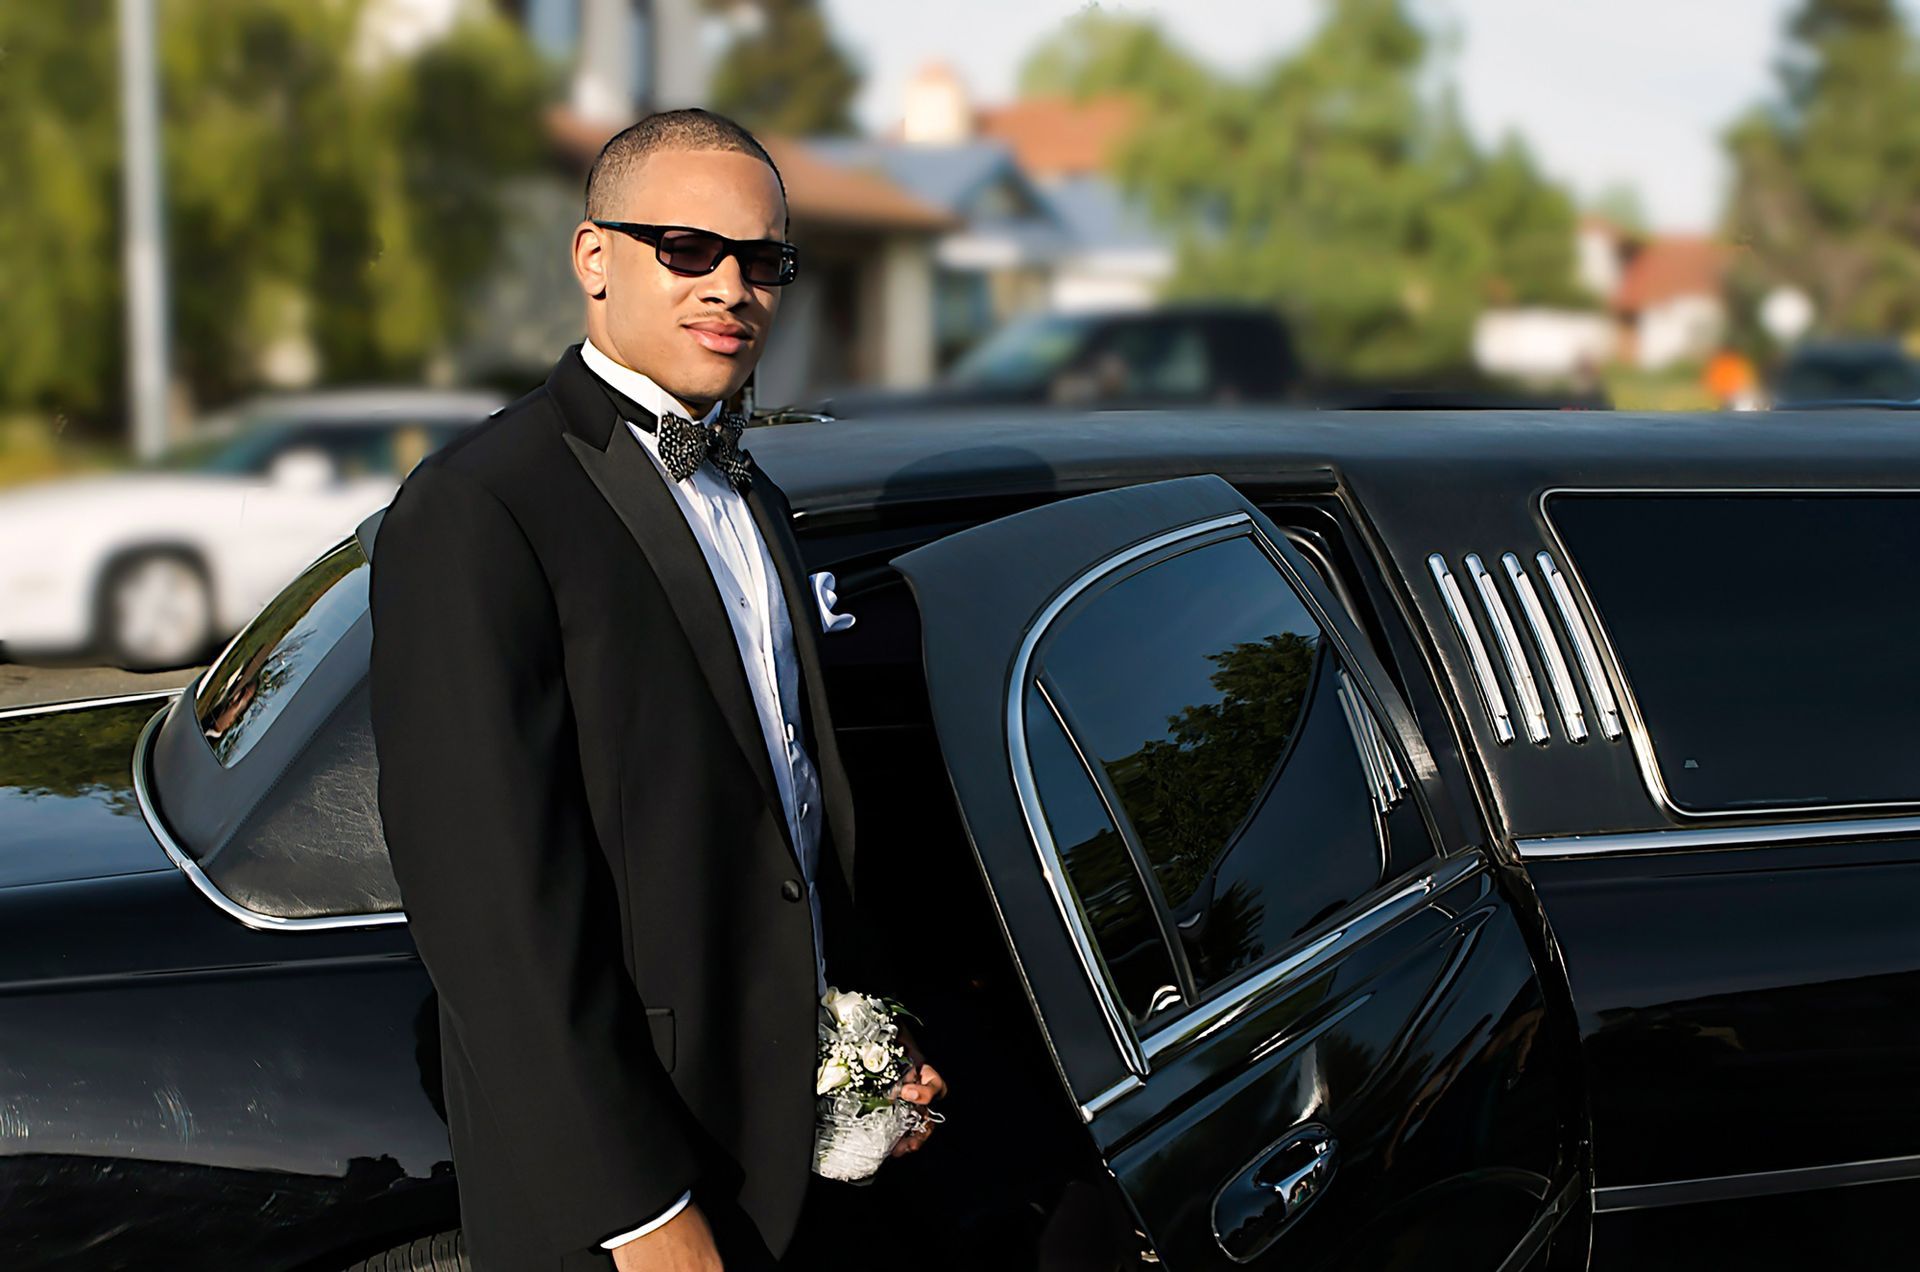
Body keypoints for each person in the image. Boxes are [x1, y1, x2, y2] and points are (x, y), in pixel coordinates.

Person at [367, 108, 944, 1271]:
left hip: (798, 1138)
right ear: (593, 258)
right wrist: (637, 1207)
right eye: (687, 249)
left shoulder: (756, 497)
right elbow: (490, 909)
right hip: (631, 1175)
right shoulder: (481, 507)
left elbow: (793, 812)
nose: (730, 286)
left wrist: (877, 1042)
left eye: (763, 260)